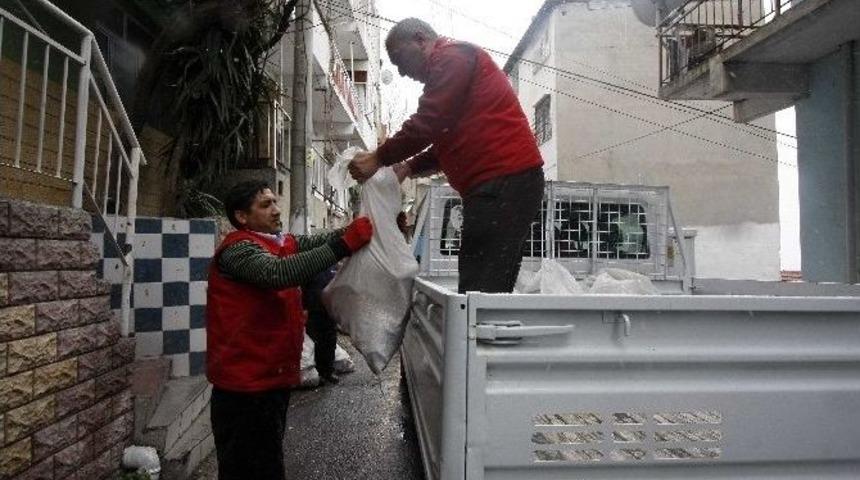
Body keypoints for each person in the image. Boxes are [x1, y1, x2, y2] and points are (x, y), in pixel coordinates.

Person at [349, 18, 545, 294]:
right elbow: (444, 140)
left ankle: (478, 336)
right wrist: (409, 166)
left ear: (420, 39)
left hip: (505, 180)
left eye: (399, 59)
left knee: (481, 285)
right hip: (502, 183)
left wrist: (378, 158)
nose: (402, 72)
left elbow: (430, 121)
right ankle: (480, 334)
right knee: (483, 279)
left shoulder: (453, 57)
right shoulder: (451, 67)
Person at [206, 180, 373, 480]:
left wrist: (366, 227)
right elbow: (278, 273)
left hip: (269, 382)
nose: (275, 209)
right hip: (244, 389)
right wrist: (344, 244)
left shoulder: (277, 242)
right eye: (265, 205)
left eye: (275, 202)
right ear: (241, 216)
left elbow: (312, 244)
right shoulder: (239, 250)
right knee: (251, 469)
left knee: (267, 462)